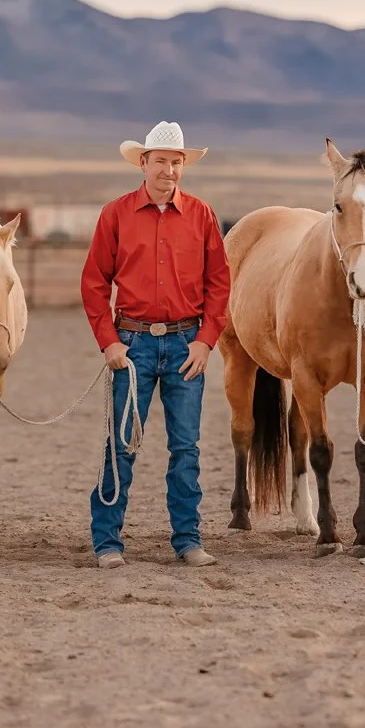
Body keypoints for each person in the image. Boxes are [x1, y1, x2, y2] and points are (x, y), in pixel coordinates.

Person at [80, 121, 231, 568]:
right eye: (161, 160)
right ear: (142, 163)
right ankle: (107, 542)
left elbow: (219, 284)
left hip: (187, 345)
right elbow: (93, 284)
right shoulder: (116, 214)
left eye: (176, 162)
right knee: (121, 443)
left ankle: (188, 539)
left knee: (186, 447)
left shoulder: (202, 215)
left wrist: (206, 341)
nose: (169, 169)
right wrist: (109, 343)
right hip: (133, 345)